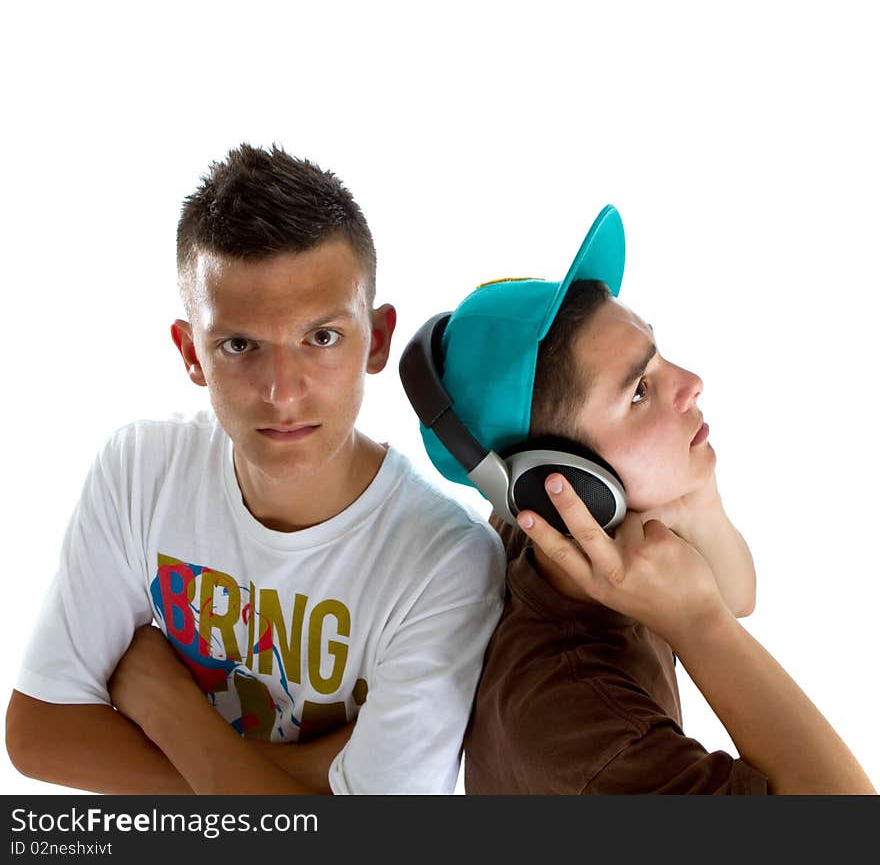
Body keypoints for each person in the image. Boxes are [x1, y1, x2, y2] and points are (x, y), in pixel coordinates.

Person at [6, 143, 505, 795]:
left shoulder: (446, 560)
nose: (283, 393)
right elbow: (39, 735)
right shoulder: (139, 471)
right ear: (191, 353)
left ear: (376, 340)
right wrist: (306, 779)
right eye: (239, 345)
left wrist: (167, 706)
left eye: (321, 338)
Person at [404, 205, 876, 794]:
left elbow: (735, 594)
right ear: (566, 481)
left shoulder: (563, 536)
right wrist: (696, 622)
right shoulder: (580, 730)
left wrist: (698, 495)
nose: (691, 382)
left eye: (657, 354)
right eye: (639, 391)